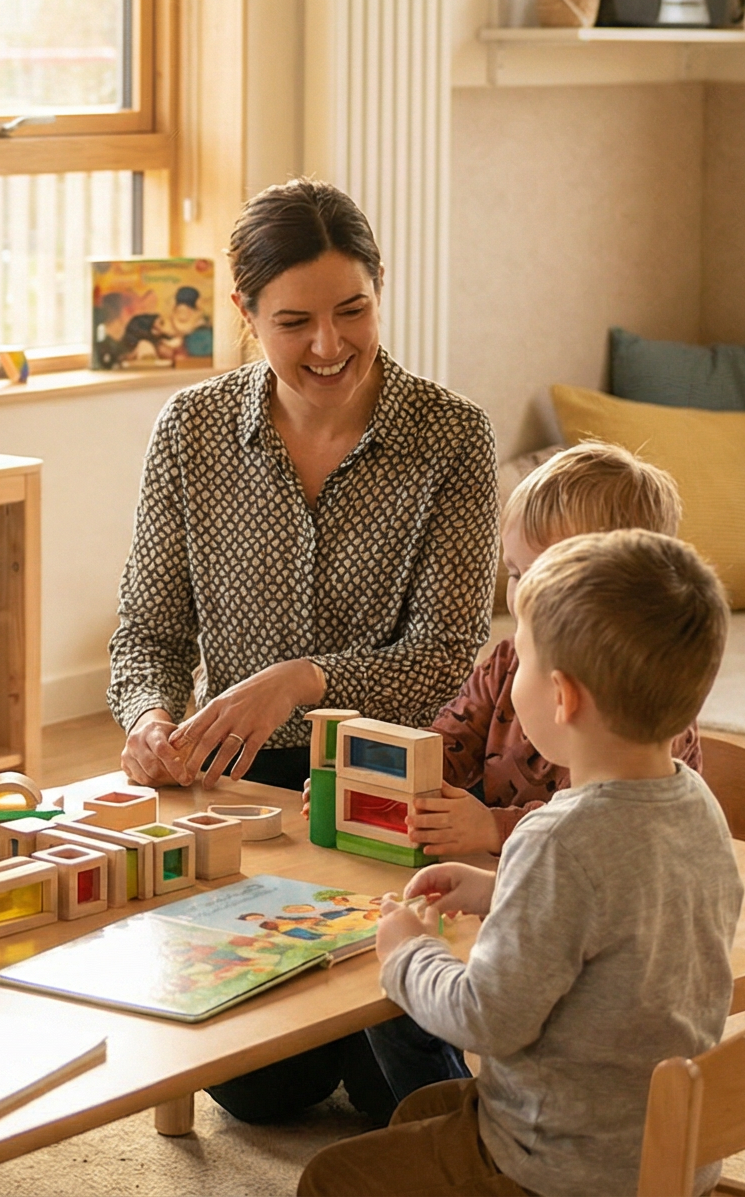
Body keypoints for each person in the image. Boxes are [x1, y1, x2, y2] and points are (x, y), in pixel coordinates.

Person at [107, 178, 498, 1124]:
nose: (329, 346)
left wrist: (301, 681)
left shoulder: (454, 437)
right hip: (244, 796)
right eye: (295, 321)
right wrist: (151, 718)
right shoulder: (191, 432)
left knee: (395, 1104)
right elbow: (147, 634)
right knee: (257, 1095)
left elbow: (447, 653)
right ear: (243, 313)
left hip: (390, 793)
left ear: (378, 290)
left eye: (352, 310)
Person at [298, 530, 745, 1197]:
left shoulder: (556, 839)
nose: (511, 675)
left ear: (562, 697)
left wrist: (407, 955)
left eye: (522, 661)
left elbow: (487, 1019)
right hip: (666, 1145)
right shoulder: (695, 803)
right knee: (421, 1112)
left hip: (561, 1165)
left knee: (333, 1177)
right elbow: (617, 906)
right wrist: (496, 887)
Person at [363, 439, 710, 1101]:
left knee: (406, 993)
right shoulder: (508, 663)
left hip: (573, 983)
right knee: (380, 988)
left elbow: (580, 842)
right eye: (517, 574)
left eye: (547, 575)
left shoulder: (641, 728)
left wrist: (490, 831)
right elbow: (447, 741)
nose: (522, 597)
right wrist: (378, 777)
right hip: (532, 908)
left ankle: (449, 1122)